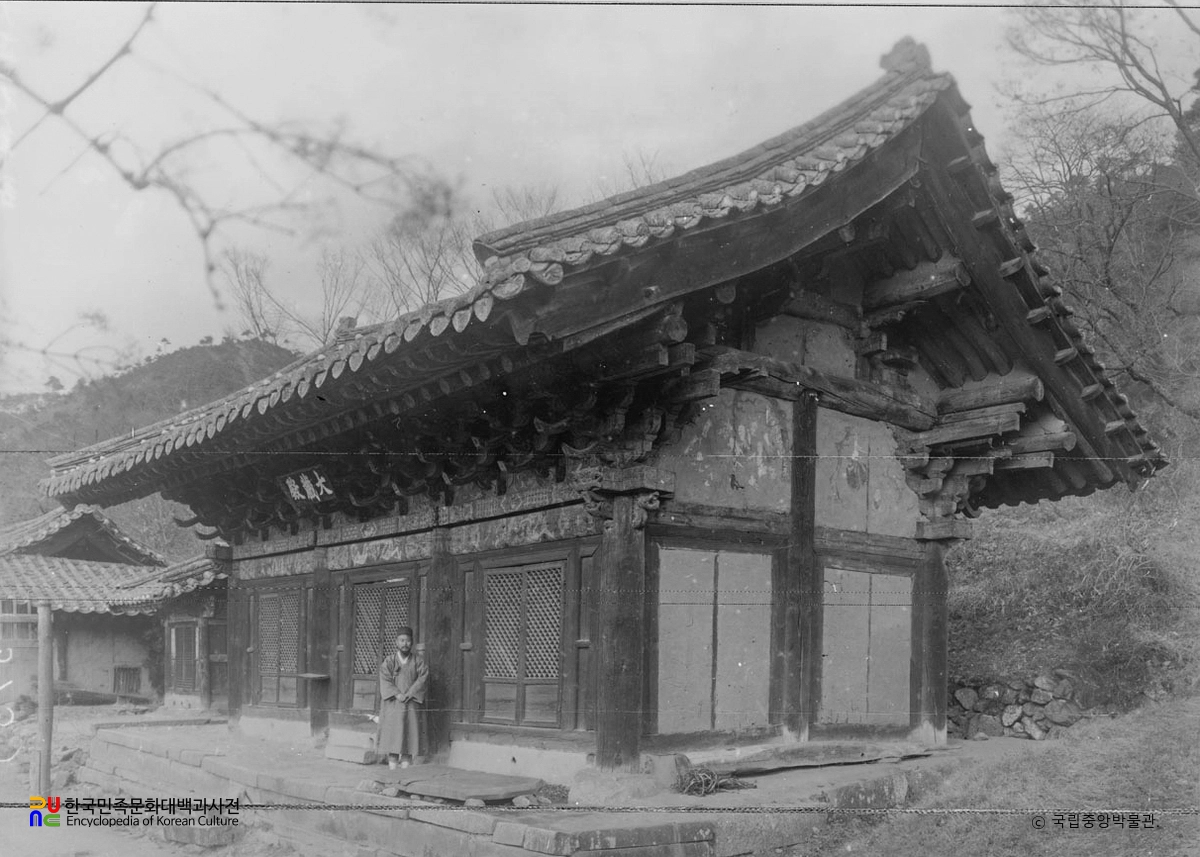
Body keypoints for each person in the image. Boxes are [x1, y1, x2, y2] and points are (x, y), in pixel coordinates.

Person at [378, 627, 428, 770]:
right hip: (394, 703)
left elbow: (422, 678)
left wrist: (410, 693)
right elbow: (385, 679)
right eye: (402, 640)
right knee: (393, 735)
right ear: (396, 642)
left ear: (412, 643)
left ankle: (405, 770)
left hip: (411, 703)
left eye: (408, 640)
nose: (405, 644)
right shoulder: (389, 661)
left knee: (408, 736)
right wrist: (397, 693)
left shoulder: (418, 661)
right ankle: (392, 769)